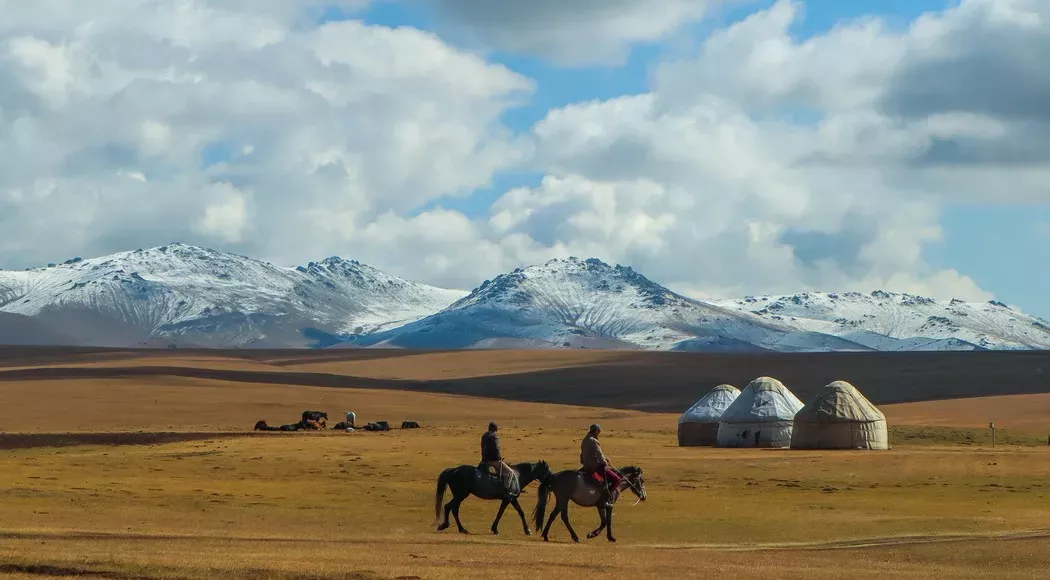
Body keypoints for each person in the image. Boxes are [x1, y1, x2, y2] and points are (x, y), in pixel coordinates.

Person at [580, 423, 623, 503]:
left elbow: (582, 454)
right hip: (595, 466)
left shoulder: (585, 440)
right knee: (617, 479)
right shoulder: (594, 441)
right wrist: (604, 462)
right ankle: (606, 498)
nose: (599, 432)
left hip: (586, 466)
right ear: (596, 431)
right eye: (599, 431)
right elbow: (599, 454)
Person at [481, 422, 517, 499]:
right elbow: (496, 449)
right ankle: (507, 491)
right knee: (509, 472)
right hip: (493, 460)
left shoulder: (484, 436)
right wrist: (499, 458)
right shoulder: (494, 436)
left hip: (484, 460)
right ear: (496, 429)